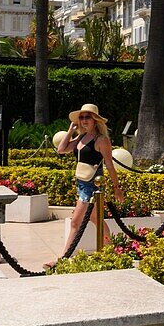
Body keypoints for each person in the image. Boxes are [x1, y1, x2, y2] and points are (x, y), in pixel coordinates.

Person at [51, 103, 123, 265]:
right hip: (82, 184)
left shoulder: (101, 140)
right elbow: (61, 150)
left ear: (95, 120)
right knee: (96, 220)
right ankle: (111, 250)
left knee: (76, 222)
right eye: (81, 117)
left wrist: (117, 188)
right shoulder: (81, 137)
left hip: (93, 186)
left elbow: (110, 165)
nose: (83, 120)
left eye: (87, 117)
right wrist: (70, 130)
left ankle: (62, 258)